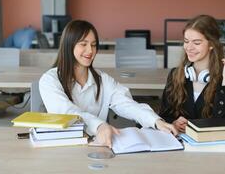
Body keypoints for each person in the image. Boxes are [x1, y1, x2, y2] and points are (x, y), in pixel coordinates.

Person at [39, 20, 176, 147]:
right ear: (69, 45)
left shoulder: (103, 80)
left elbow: (127, 104)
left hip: (97, 144)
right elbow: (67, 112)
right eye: (83, 44)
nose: (90, 51)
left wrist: (156, 121)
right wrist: (99, 126)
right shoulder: (50, 80)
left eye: (93, 45)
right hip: (63, 145)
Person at [159, 15, 225, 133]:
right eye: (186, 41)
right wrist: (173, 123)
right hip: (179, 144)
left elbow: (224, 125)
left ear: (212, 44)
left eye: (197, 43)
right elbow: (164, 116)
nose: (189, 47)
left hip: (212, 147)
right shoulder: (175, 75)